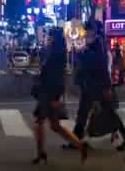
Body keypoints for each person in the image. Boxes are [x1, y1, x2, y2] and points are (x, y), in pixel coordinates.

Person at [67, 20, 125, 151]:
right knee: (84, 112)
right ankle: (76, 139)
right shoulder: (93, 44)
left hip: (98, 86)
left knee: (106, 112)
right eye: (86, 30)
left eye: (89, 30)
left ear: (95, 31)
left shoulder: (98, 45)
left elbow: (100, 66)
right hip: (92, 86)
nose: (87, 33)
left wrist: (82, 55)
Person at [32, 28, 87, 165]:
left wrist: (56, 97)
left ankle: (41, 153)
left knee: (40, 123)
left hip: (49, 93)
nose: (48, 38)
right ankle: (79, 145)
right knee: (55, 126)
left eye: (50, 37)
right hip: (48, 92)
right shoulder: (54, 52)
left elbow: (57, 77)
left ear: (54, 39)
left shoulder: (56, 54)